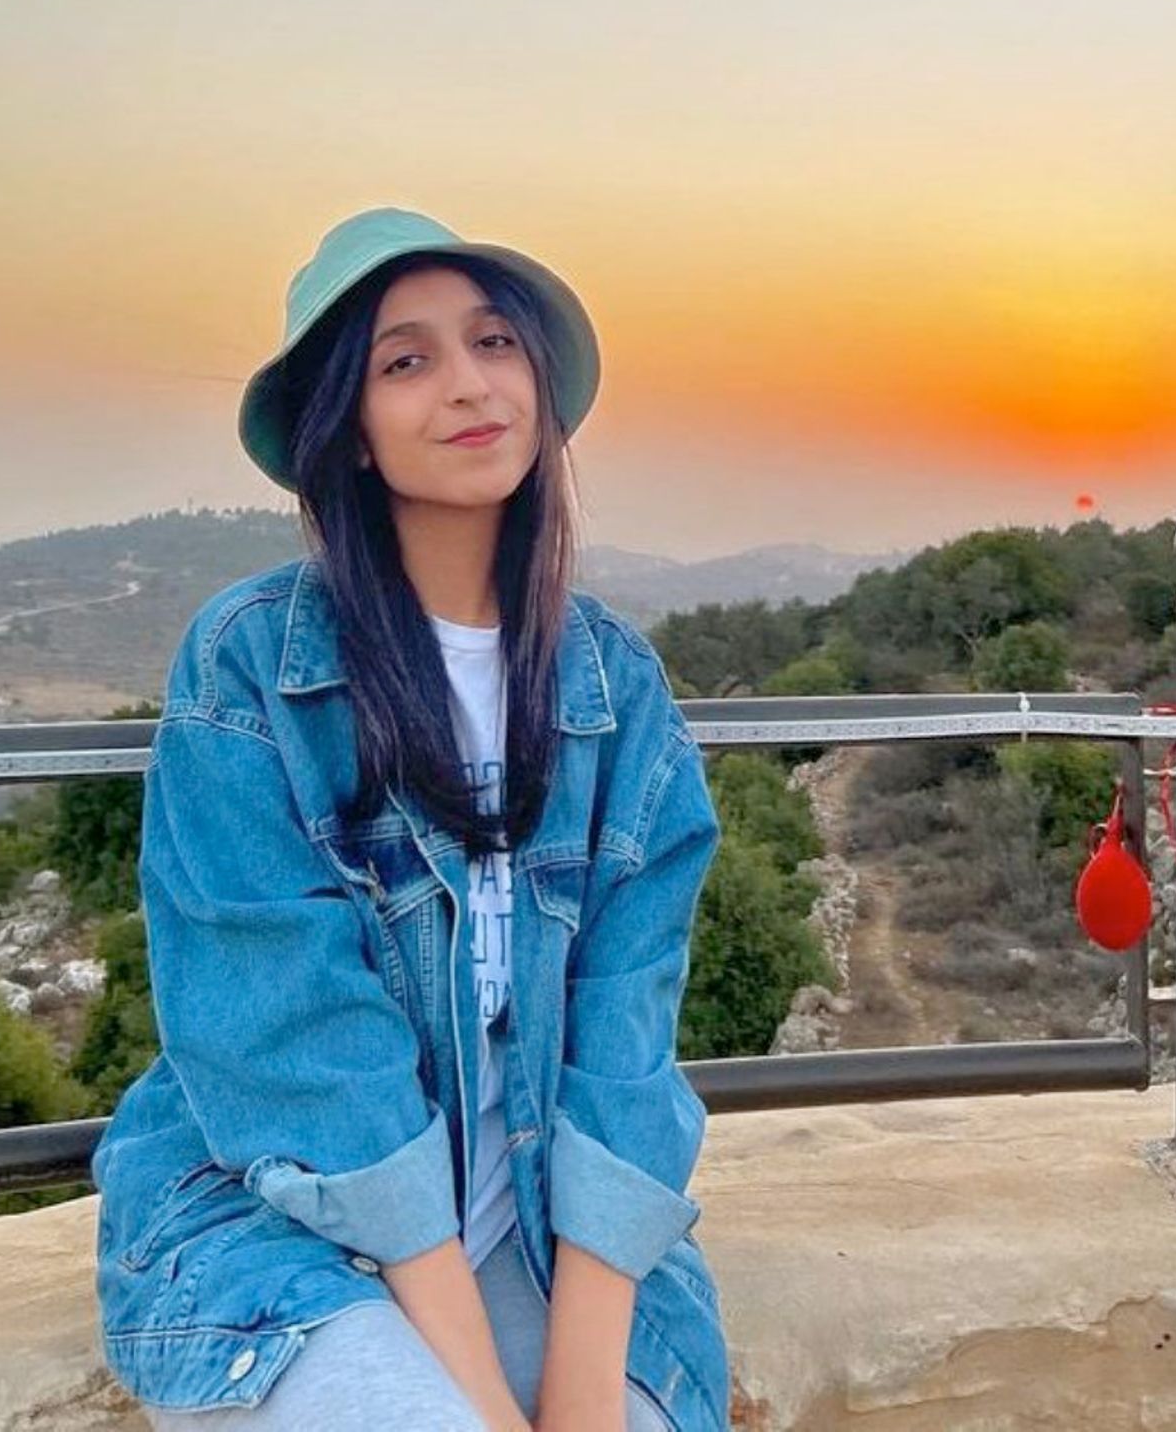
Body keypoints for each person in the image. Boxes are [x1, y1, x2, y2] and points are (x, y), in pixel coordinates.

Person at [90, 206, 730, 1431]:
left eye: (494, 342)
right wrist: (486, 1396)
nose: (468, 385)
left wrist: (586, 1389)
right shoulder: (252, 669)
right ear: (353, 429)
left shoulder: (614, 686)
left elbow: (624, 1037)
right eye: (407, 359)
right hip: (287, 1222)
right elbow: (294, 1043)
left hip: (549, 1215)